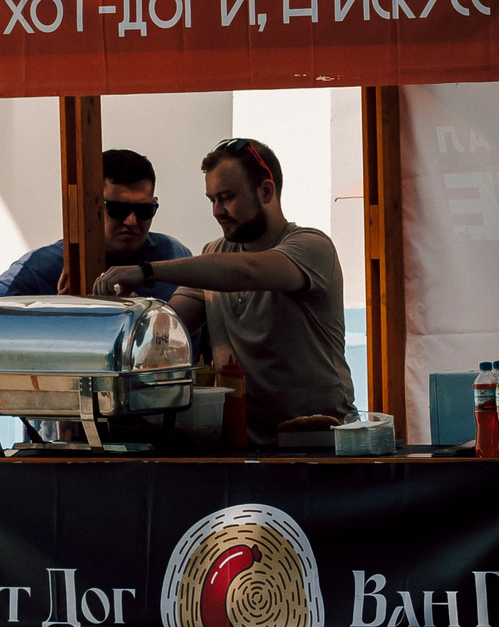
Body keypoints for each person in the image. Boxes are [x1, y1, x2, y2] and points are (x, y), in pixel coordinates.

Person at [93, 139, 351, 443]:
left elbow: (246, 271)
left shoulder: (312, 247)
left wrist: (146, 271)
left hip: (319, 442)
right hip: (242, 446)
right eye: (212, 199)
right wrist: (113, 307)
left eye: (227, 198)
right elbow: (166, 331)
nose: (217, 211)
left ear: (266, 191)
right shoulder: (214, 253)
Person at [2, 149, 192, 302]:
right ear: (89, 207)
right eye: (118, 209)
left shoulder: (173, 255)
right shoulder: (41, 268)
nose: (131, 221)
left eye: (144, 210)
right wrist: (56, 318)